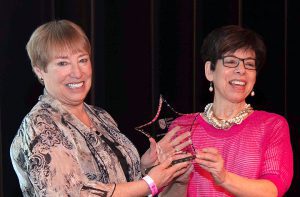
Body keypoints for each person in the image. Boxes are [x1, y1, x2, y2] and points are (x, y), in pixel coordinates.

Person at [10, 19, 193, 196]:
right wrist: (149, 183)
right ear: (40, 70)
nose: (77, 72)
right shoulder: (40, 125)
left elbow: (120, 185)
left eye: (82, 60)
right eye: (63, 63)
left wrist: (144, 166)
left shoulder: (100, 116)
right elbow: (73, 193)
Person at [162, 25, 294, 196]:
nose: (241, 70)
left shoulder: (271, 125)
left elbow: (272, 190)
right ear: (209, 70)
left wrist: (224, 178)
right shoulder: (183, 127)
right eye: (231, 62)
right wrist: (181, 182)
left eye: (249, 64)